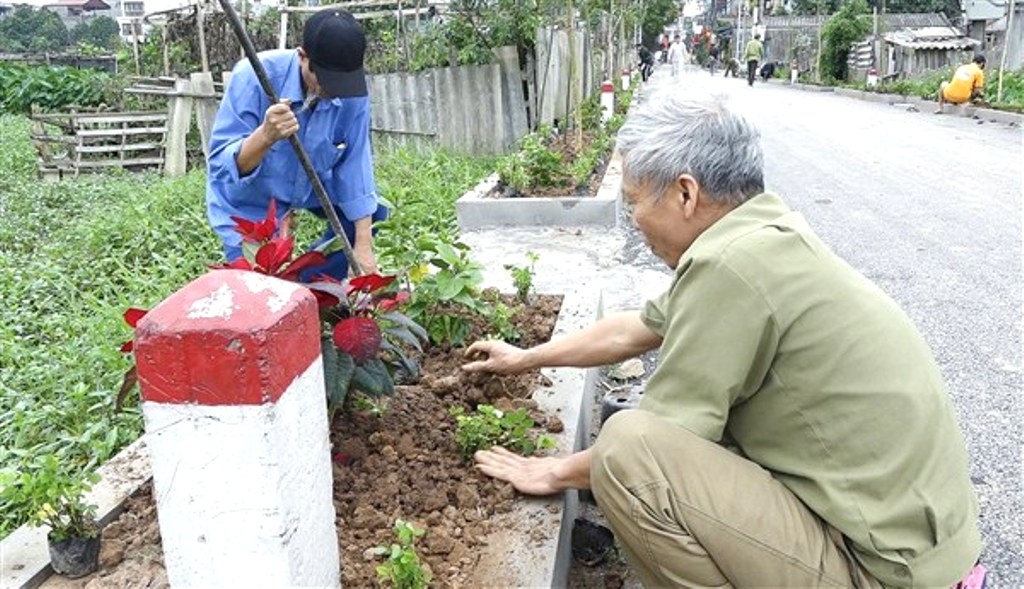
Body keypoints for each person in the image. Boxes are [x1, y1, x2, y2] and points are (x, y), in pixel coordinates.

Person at [462, 89, 984, 587]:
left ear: (686, 193)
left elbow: (659, 438)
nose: (634, 220)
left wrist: (555, 473)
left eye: (635, 201)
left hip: (877, 570)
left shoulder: (730, 266)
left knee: (627, 449)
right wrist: (527, 357)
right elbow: (637, 327)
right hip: (916, 550)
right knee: (647, 440)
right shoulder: (763, 237)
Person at [206, 8, 388, 280]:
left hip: (311, 187)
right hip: (252, 202)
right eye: (325, 80)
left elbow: (355, 166)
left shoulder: (351, 92)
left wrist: (363, 248)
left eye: (341, 82)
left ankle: (308, 286)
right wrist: (265, 136)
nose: (333, 91)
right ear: (303, 57)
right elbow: (222, 167)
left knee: (371, 213)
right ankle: (284, 289)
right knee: (260, 286)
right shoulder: (254, 77)